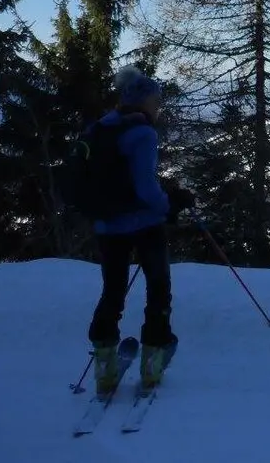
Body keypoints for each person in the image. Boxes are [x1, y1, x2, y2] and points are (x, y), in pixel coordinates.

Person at [85, 66, 195, 393]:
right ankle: (152, 363)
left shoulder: (100, 128)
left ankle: (104, 368)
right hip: (145, 224)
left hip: (108, 225)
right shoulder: (144, 133)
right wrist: (168, 205)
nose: (158, 106)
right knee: (158, 289)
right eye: (155, 100)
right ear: (144, 100)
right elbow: (146, 188)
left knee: (113, 292)